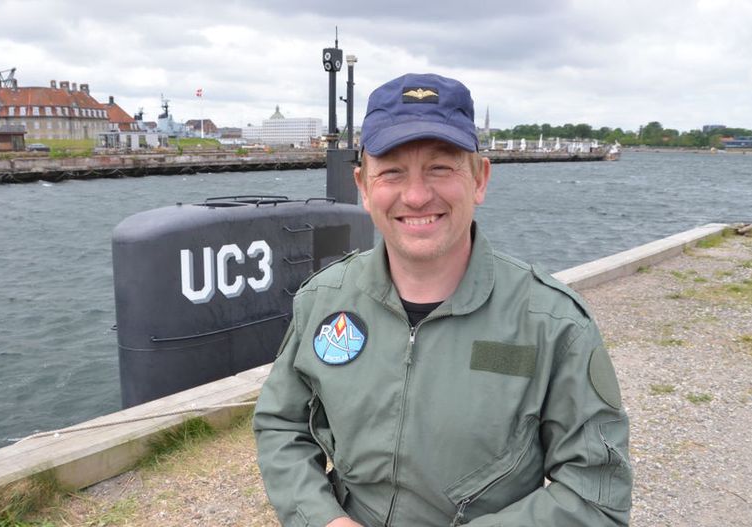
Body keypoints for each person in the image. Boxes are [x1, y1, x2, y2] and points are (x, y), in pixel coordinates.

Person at [253, 73, 632, 527]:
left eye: (440, 168)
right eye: (392, 171)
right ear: (364, 187)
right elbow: (282, 425)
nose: (416, 196)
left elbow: (596, 494)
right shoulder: (323, 300)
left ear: (479, 179)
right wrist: (322, 519)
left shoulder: (552, 324)